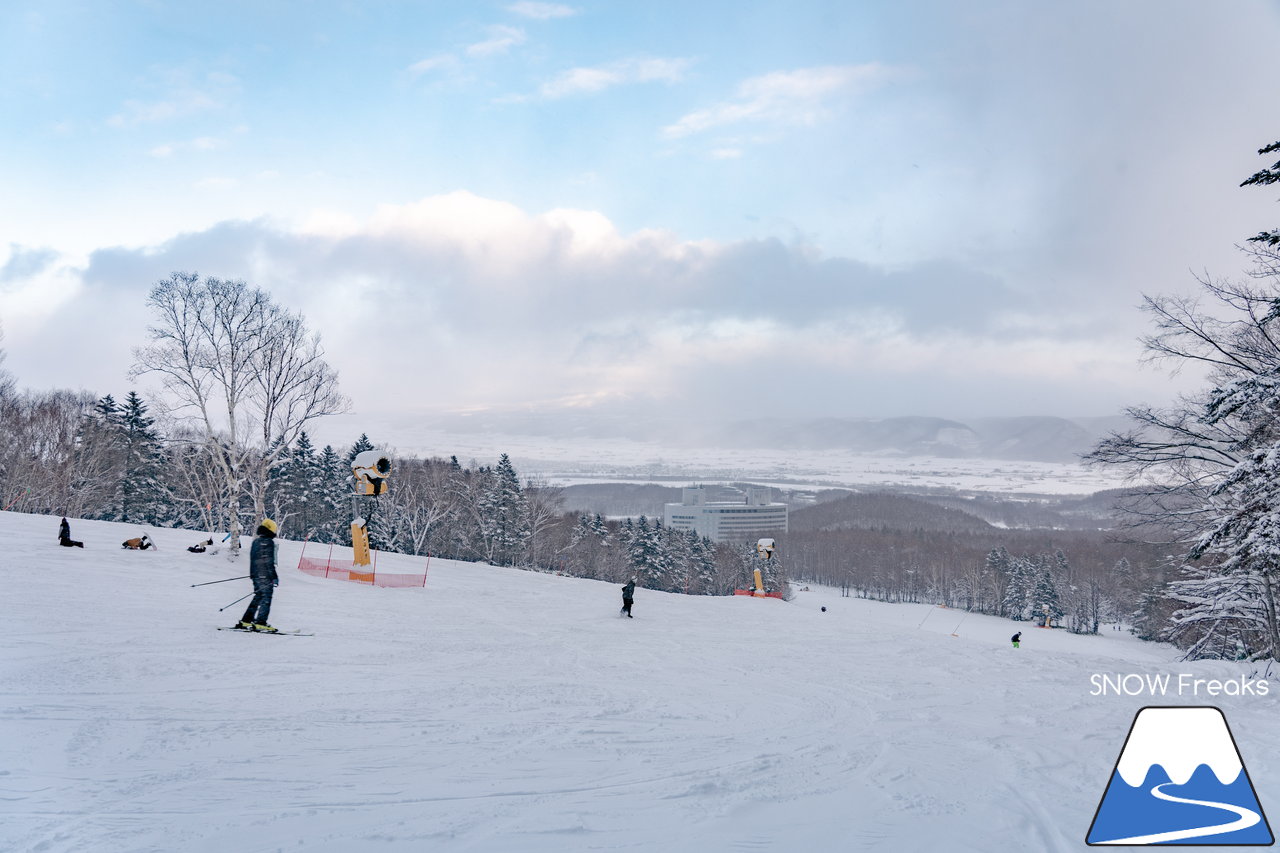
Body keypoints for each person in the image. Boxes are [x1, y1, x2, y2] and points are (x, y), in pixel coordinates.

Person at [237, 519, 279, 632]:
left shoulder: (256, 541)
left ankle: (246, 620)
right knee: (266, 597)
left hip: (256, 575)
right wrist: (274, 577)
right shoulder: (269, 542)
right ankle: (261, 622)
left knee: (258, 596)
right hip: (265, 576)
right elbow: (269, 561)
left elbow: (253, 559)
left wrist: (253, 574)